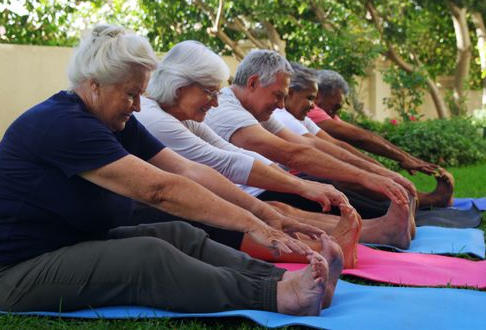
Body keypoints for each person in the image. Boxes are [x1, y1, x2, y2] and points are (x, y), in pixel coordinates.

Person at [0, 24, 332, 316]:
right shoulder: (62, 124)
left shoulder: (113, 121)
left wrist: (267, 214)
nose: (138, 106)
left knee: (177, 234)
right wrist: (250, 223)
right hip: (1, 276)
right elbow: (159, 190)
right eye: (130, 93)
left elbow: (188, 171)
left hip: (62, 247)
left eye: (141, 93)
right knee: (147, 258)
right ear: (94, 85)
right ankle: (278, 296)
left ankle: (284, 279)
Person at [134, 41, 359, 274]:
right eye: (210, 92)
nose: (215, 102)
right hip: (141, 218)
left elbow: (231, 153)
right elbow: (221, 163)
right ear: (179, 87)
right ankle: (318, 253)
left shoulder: (182, 115)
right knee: (211, 211)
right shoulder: (154, 118)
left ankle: (328, 245)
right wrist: (299, 187)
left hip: (169, 203)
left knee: (254, 208)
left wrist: (298, 186)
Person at [204, 49, 414, 248]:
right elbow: (293, 154)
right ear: (253, 83)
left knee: (291, 199)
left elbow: (307, 145)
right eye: (278, 96)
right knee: (280, 206)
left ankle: (384, 228)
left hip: (252, 190)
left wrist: (378, 173)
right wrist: (367, 176)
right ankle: (382, 230)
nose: (281, 106)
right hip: (237, 198)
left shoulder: (249, 107)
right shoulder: (226, 111)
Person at [309, 69, 454, 207]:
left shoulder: (316, 114)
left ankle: (415, 198)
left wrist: (400, 162)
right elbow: (359, 138)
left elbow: (361, 137)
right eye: (334, 106)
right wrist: (399, 162)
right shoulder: (311, 111)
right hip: (307, 178)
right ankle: (425, 200)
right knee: (347, 176)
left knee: (357, 169)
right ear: (318, 94)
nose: (334, 113)